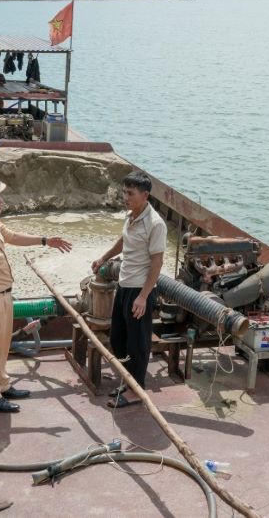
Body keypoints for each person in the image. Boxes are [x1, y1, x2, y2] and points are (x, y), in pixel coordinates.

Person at [0, 174, 72, 412]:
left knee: (1, 346)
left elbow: (12, 236)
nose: (1, 200)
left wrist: (45, 241)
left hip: (4, 296)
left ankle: (2, 384)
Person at [92, 171, 166, 408]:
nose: (125, 197)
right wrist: (104, 258)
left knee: (138, 343)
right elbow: (123, 241)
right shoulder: (132, 216)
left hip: (139, 291)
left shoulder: (155, 224)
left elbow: (157, 263)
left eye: (130, 193)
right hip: (124, 285)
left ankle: (137, 389)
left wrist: (144, 296)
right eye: (124, 192)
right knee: (118, 338)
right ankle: (128, 379)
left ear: (145, 195)